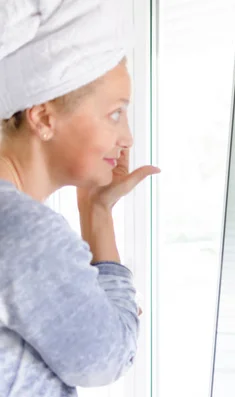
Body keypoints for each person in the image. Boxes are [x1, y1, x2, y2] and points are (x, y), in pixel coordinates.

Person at [0, 1, 159, 396]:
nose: (128, 139)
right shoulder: (24, 231)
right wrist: (98, 215)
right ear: (44, 117)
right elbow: (108, 357)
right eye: (115, 114)